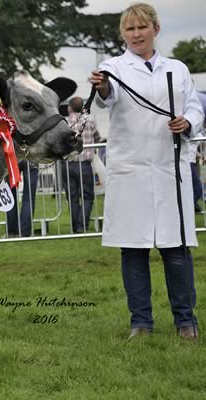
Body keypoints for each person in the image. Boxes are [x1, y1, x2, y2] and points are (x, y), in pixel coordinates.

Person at [89, 3, 204, 340]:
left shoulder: (178, 69)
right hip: (132, 169)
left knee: (176, 248)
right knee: (134, 248)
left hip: (170, 169)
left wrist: (188, 122)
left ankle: (186, 321)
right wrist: (102, 87)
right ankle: (141, 323)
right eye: (130, 30)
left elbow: (195, 107)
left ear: (156, 28)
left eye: (142, 28)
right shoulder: (112, 67)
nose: (136, 34)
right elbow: (108, 97)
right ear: (123, 34)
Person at [63, 96, 101, 233]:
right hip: (85, 164)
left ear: (70, 107)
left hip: (68, 164)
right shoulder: (90, 121)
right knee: (87, 196)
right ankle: (82, 225)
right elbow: (98, 138)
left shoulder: (65, 122)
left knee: (72, 197)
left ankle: (76, 226)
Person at [6, 160, 39, 237]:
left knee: (10, 196)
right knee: (29, 196)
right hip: (31, 156)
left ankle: (12, 232)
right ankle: (25, 231)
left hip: (12, 155)